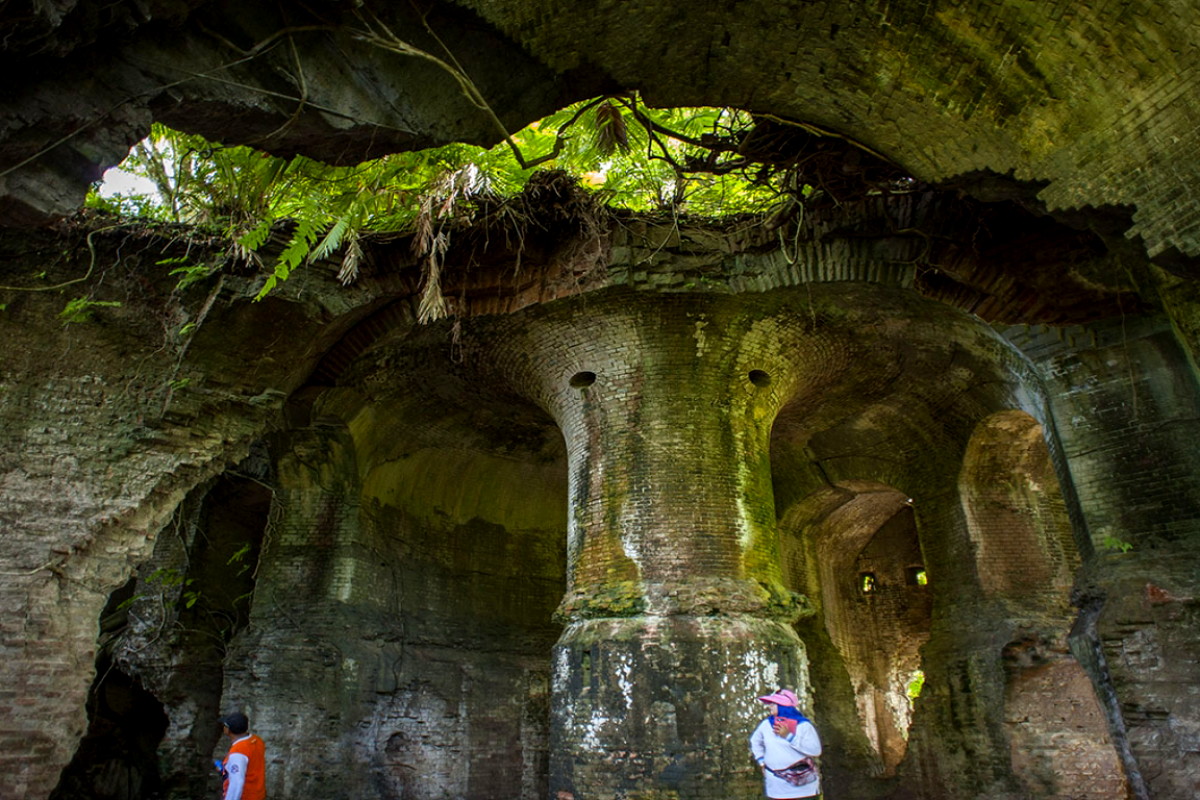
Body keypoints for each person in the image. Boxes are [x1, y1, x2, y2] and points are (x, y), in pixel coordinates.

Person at [749, 689, 822, 799]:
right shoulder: (766, 725)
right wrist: (761, 761)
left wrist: (789, 736)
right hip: (776, 785)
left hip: (803, 785)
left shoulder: (803, 726)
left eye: (774, 704)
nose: (770, 707)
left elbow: (815, 750)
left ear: (782, 706)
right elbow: (755, 741)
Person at [216, 711, 267, 800]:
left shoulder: (238, 752)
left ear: (227, 730)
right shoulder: (256, 740)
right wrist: (226, 768)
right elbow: (250, 764)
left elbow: (236, 783)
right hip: (258, 795)